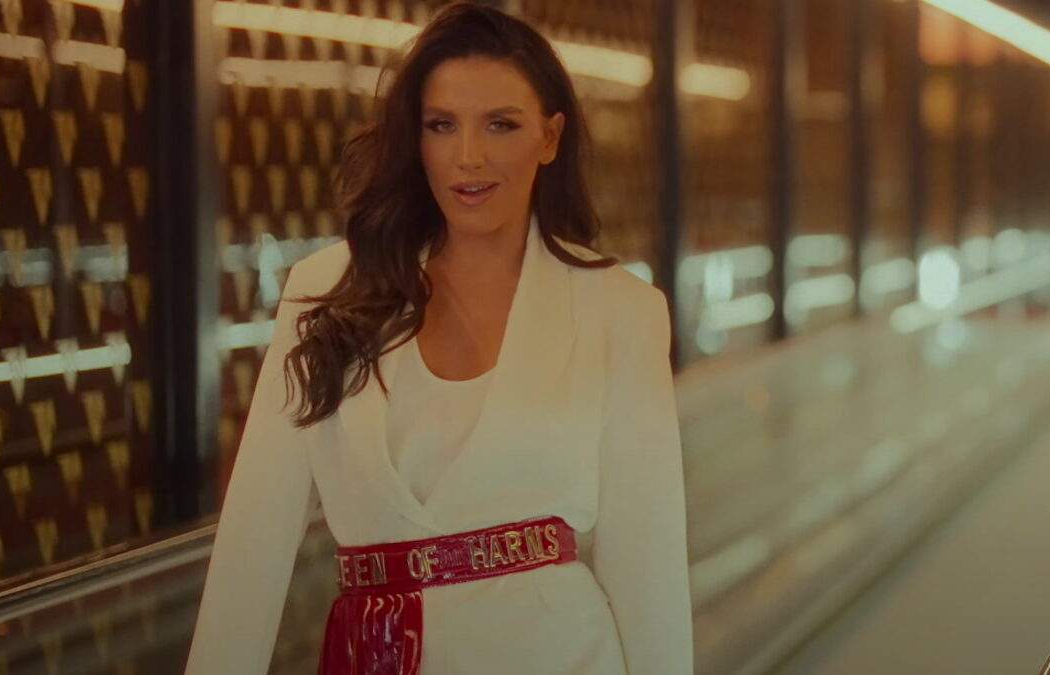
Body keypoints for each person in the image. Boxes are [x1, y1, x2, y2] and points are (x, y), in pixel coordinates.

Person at [184, 3, 693, 674]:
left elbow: (647, 566)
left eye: (501, 124)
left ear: (549, 137)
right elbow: (253, 543)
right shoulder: (325, 290)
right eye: (441, 125)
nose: (468, 156)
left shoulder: (620, 310)